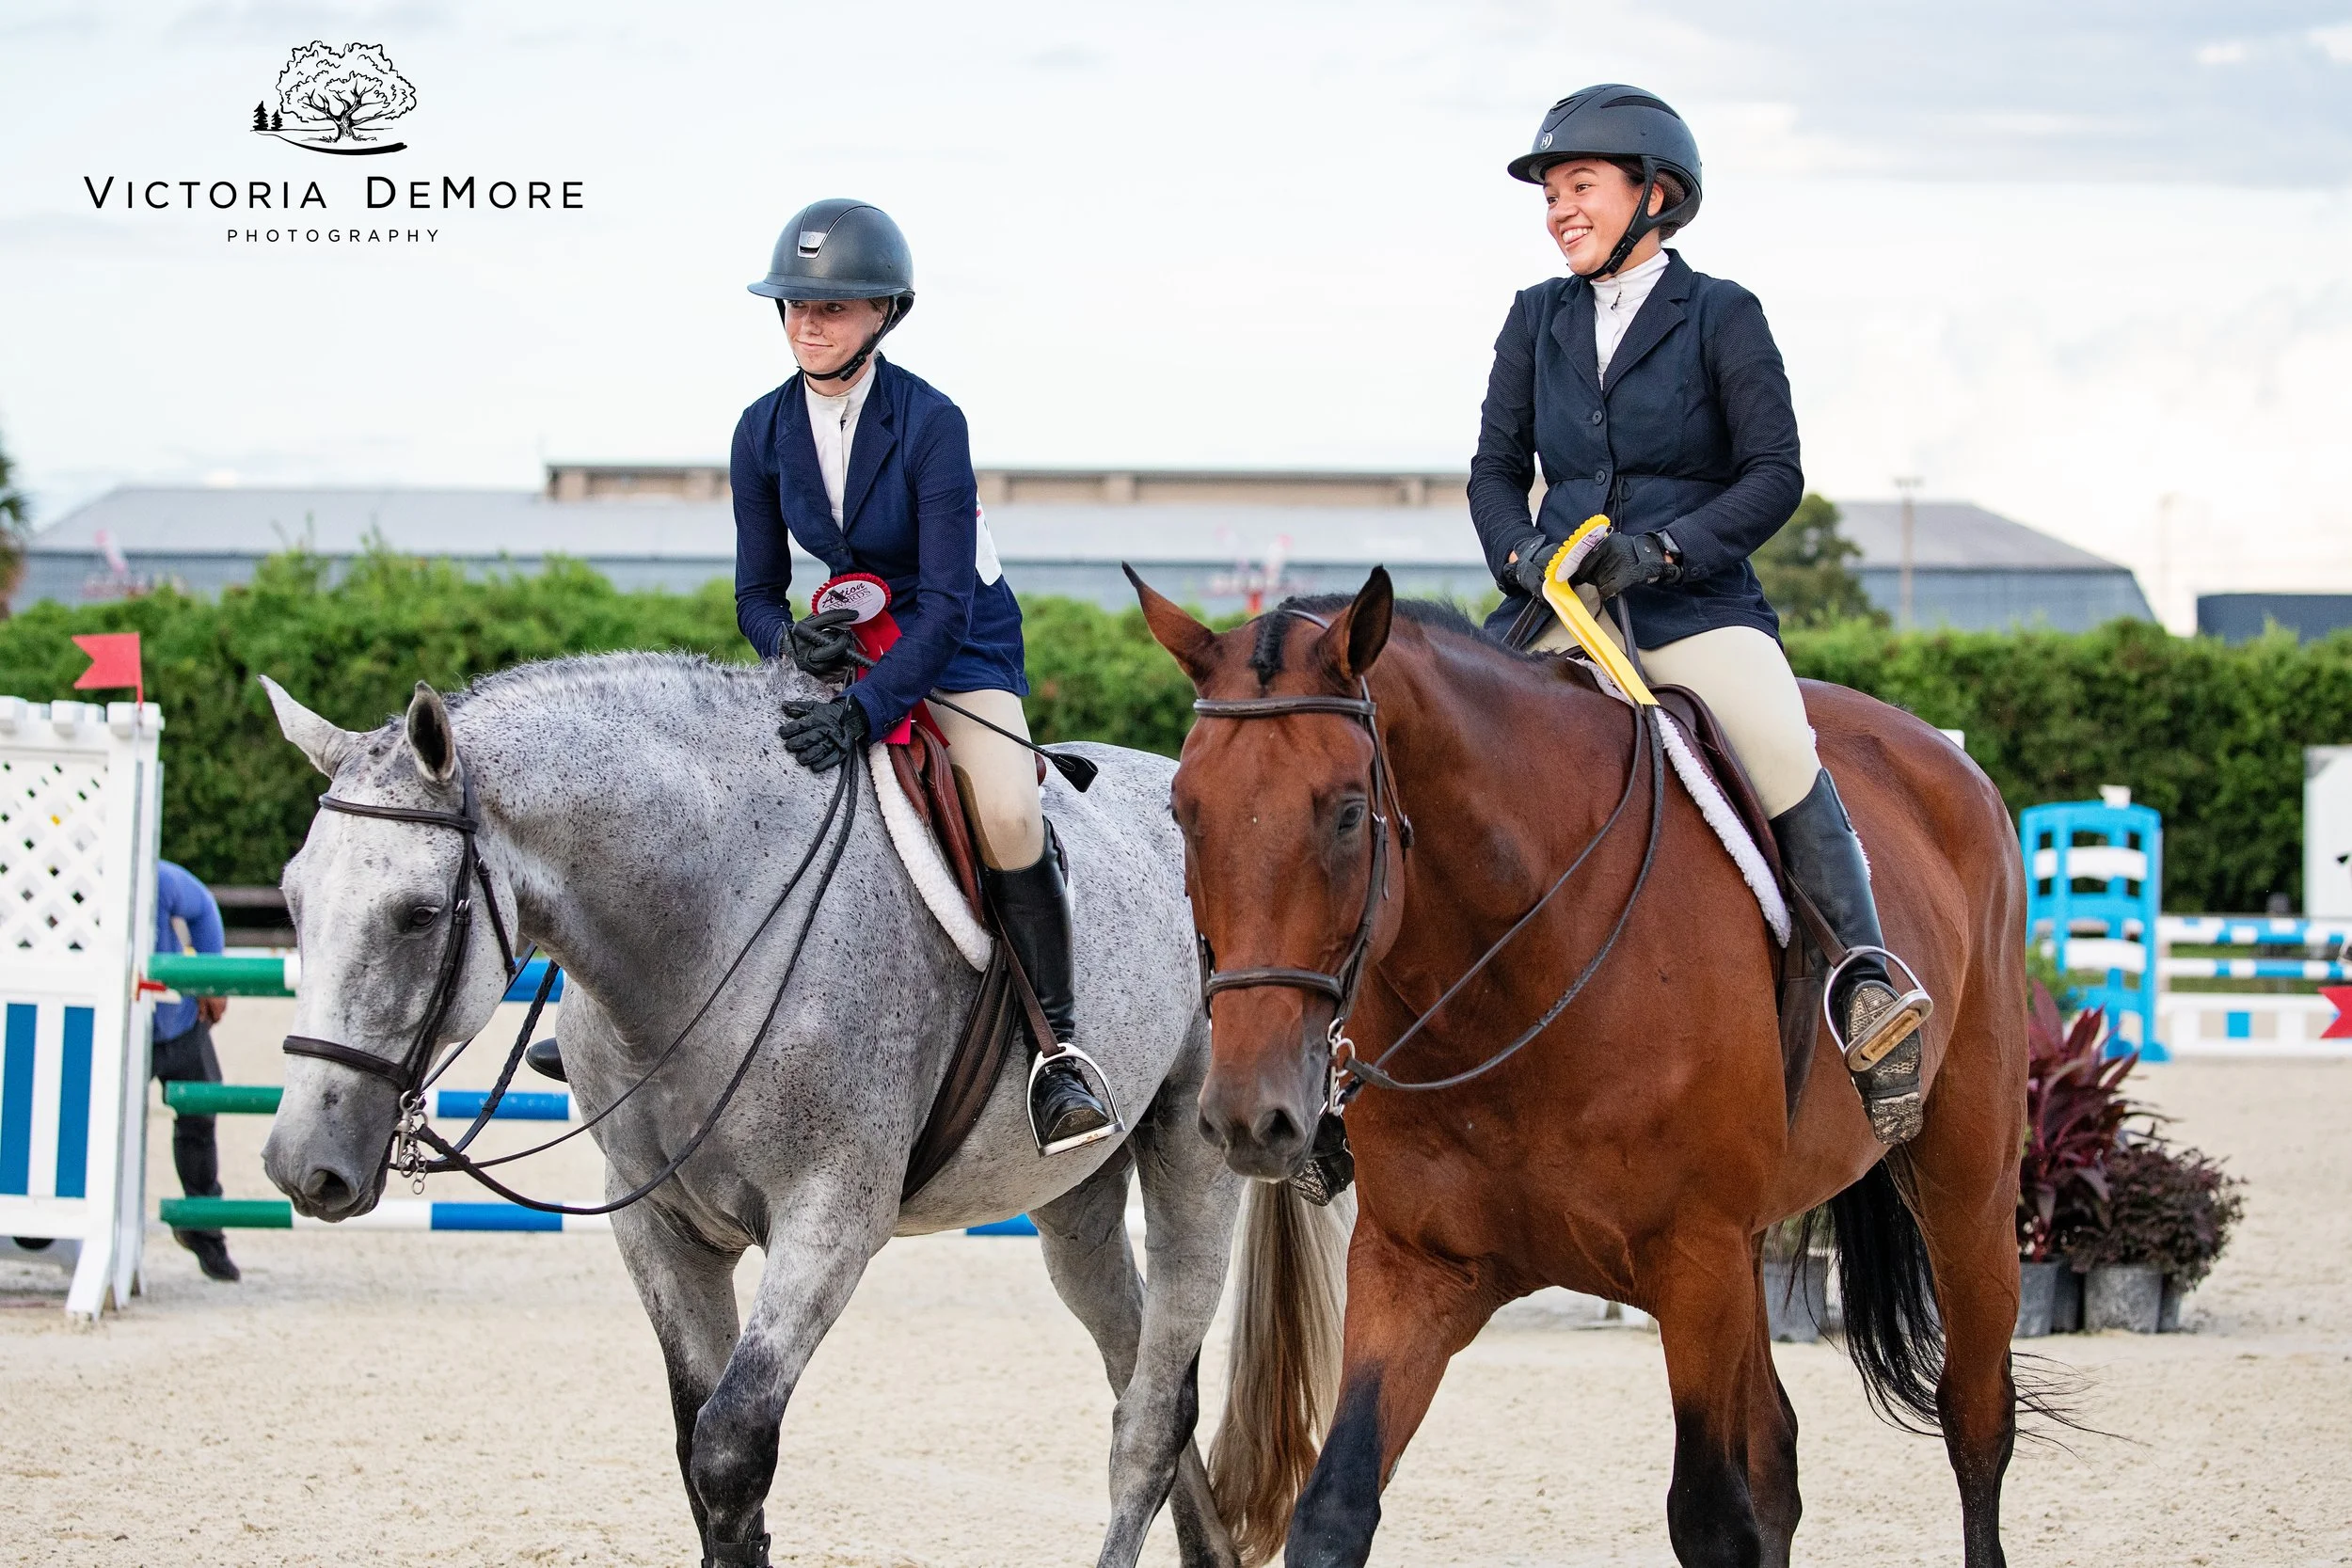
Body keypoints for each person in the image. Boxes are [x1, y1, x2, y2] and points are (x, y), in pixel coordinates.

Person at [1469, 86, 1932, 1143]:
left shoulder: (1722, 312)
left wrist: (1667, 550)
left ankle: (1866, 988)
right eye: (1550, 191)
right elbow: (1494, 470)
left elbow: (1775, 474)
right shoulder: (1533, 316)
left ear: (1654, 193)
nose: (1557, 208)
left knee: (1776, 745)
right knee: (1444, 746)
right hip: (1561, 611)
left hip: (1693, 604)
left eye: (1578, 185)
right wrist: (1524, 553)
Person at [733, 198, 1116, 1156]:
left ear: (884, 314)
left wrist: (864, 712)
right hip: (848, 635)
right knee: (726, 780)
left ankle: (1058, 1052)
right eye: (795, 306)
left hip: (958, 642)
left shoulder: (933, 422)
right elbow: (753, 590)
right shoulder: (758, 429)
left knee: (1006, 809)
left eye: (834, 307)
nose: (808, 324)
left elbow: (944, 602)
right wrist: (789, 644)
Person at [151, 861, 239, 1279]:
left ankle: (206, 1235)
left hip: (179, 1021)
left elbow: (203, 907)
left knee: (200, 1122)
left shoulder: (158, 878)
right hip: (118, 1031)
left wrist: (211, 975)